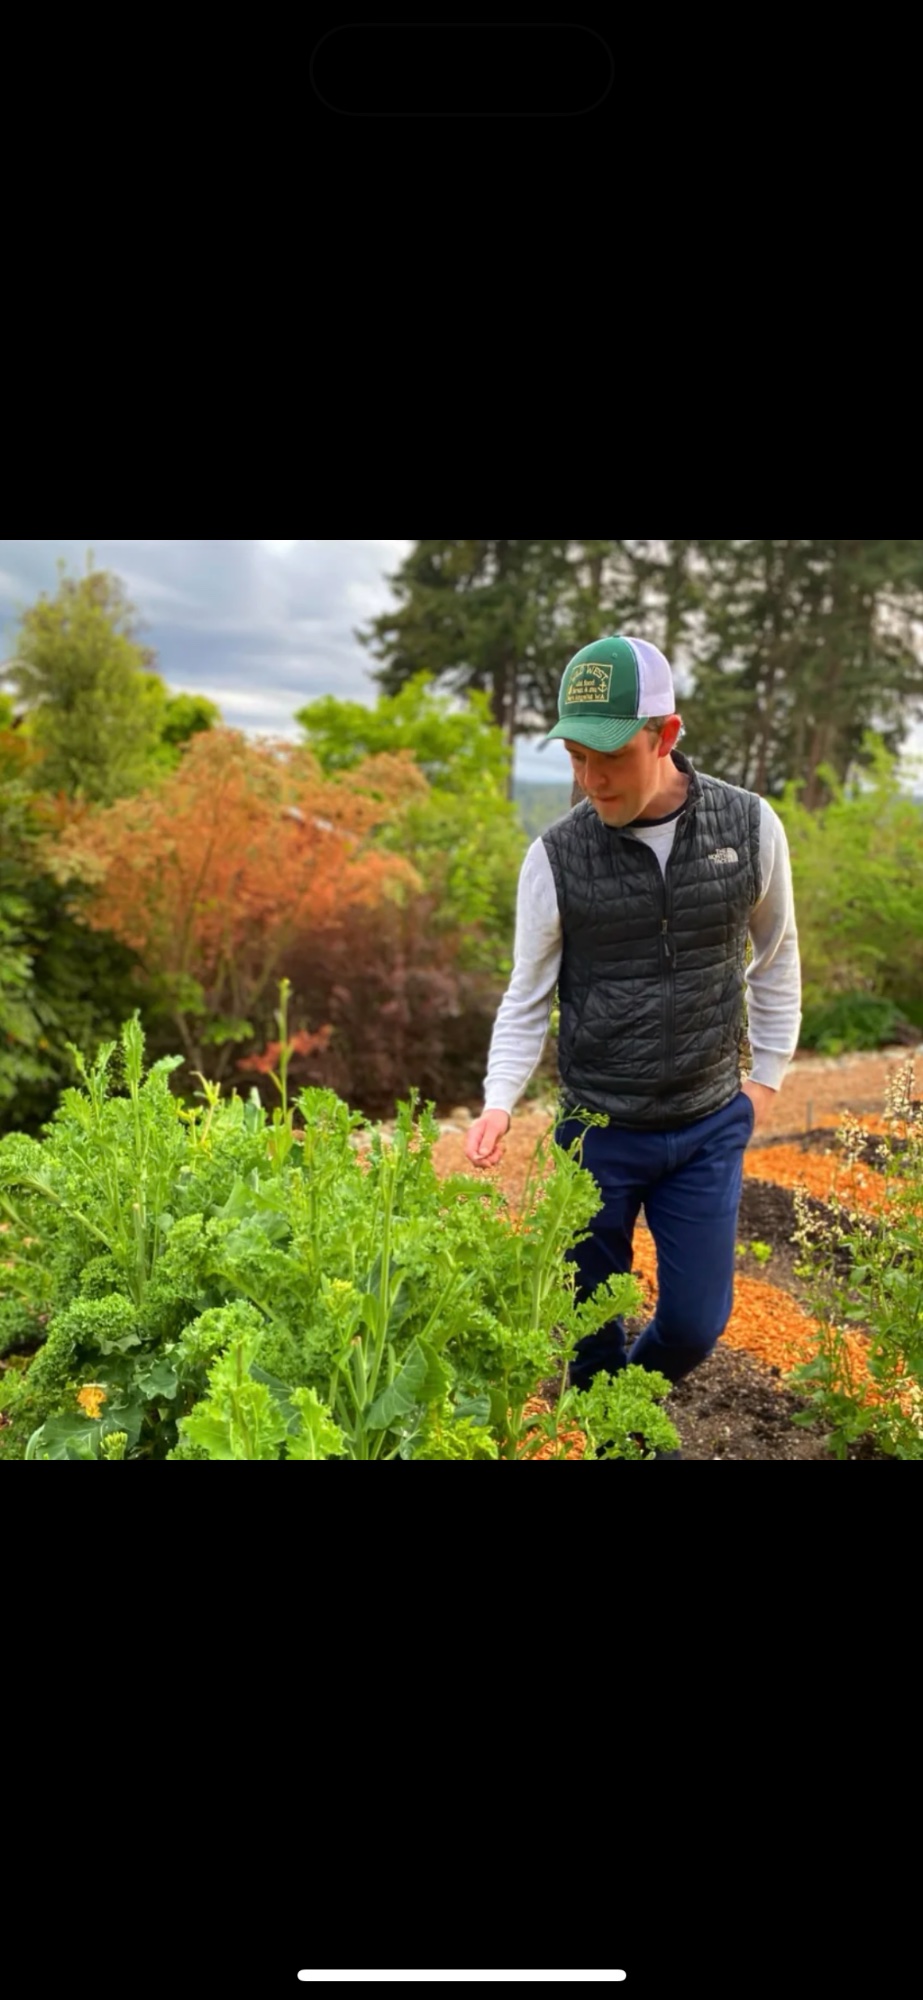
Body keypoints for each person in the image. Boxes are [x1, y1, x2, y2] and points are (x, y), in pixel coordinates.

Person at [464, 634, 803, 1456]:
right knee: (588, 1330)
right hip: (597, 1133)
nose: (590, 778)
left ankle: (612, 1416)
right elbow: (526, 994)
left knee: (692, 1325)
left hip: (705, 1122)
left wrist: (763, 1080)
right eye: (575, 756)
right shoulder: (554, 857)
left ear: (665, 735)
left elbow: (776, 955)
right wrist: (499, 1100)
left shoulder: (749, 826)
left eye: (609, 755)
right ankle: (612, 1432)